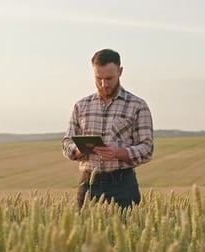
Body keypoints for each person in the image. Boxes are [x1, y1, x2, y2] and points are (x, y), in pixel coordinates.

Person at [62, 49, 154, 209]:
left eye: (109, 78)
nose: (104, 84)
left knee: (127, 233)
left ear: (120, 71)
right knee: (86, 234)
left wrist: (118, 152)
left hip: (123, 185)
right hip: (88, 185)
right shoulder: (81, 106)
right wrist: (77, 150)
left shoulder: (138, 106)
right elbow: (67, 143)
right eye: (98, 78)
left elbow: (147, 148)